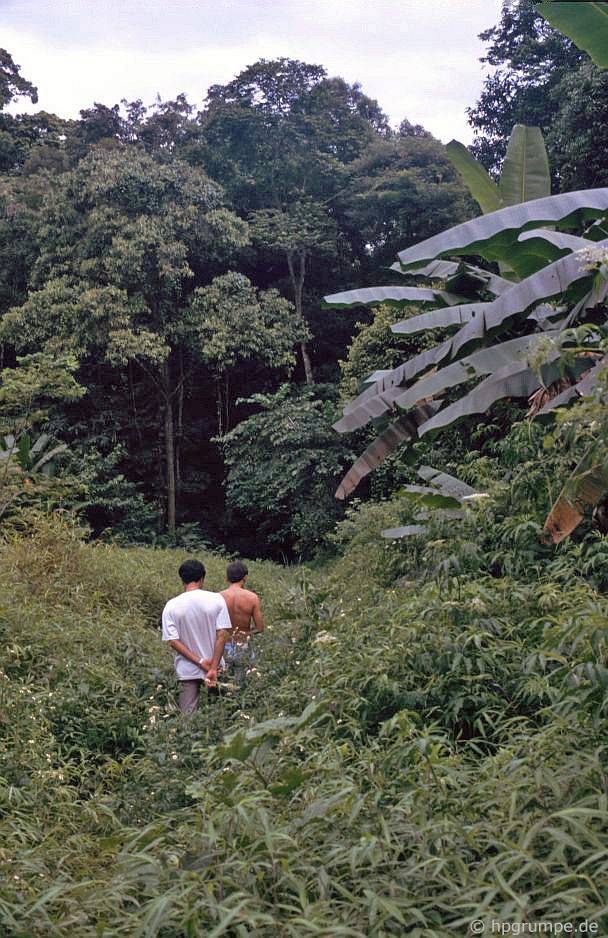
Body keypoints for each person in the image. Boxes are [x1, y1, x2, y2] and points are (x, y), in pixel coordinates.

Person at [161, 559, 231, 715]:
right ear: (202, 578)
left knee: (188, 719)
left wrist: (200, 663)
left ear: (182, 580)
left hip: (187, 670)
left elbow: (173, 641)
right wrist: (212, 667)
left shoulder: (171, 605)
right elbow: (222, 635)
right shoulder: (217, 599)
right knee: (221, 714)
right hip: (217, 668)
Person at [217, 560, 264, 686]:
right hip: (242, 645)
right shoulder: (252, 598)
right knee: (241, 684)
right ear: (245, 577)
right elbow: (260, 627)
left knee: (222, 683)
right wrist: (246, 633)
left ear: (227, 578)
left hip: (222, 645)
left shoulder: (218, 597)